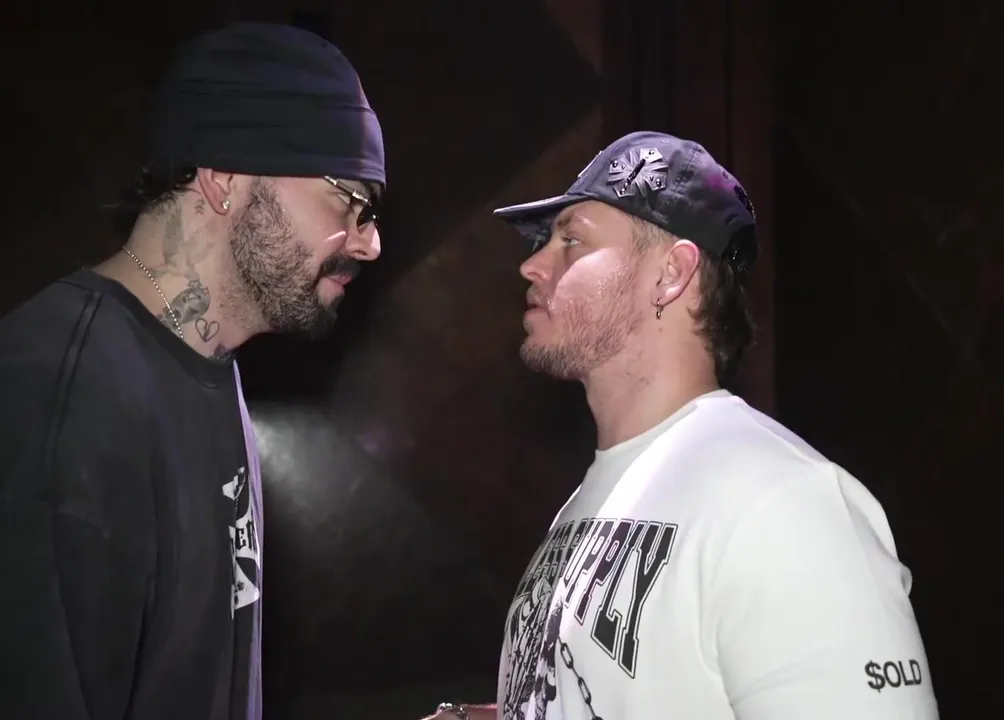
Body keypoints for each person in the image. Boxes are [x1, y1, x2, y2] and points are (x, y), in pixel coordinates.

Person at [428, 131, 937, 720]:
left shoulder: (782, 501)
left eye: (572, 239)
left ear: (671, 273)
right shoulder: (590, 501)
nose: (533, 264)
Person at [0, 22, 385, 720]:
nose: (370, 243)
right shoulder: (56, 392)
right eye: (349, 200)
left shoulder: (208, 362)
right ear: (225, 177)